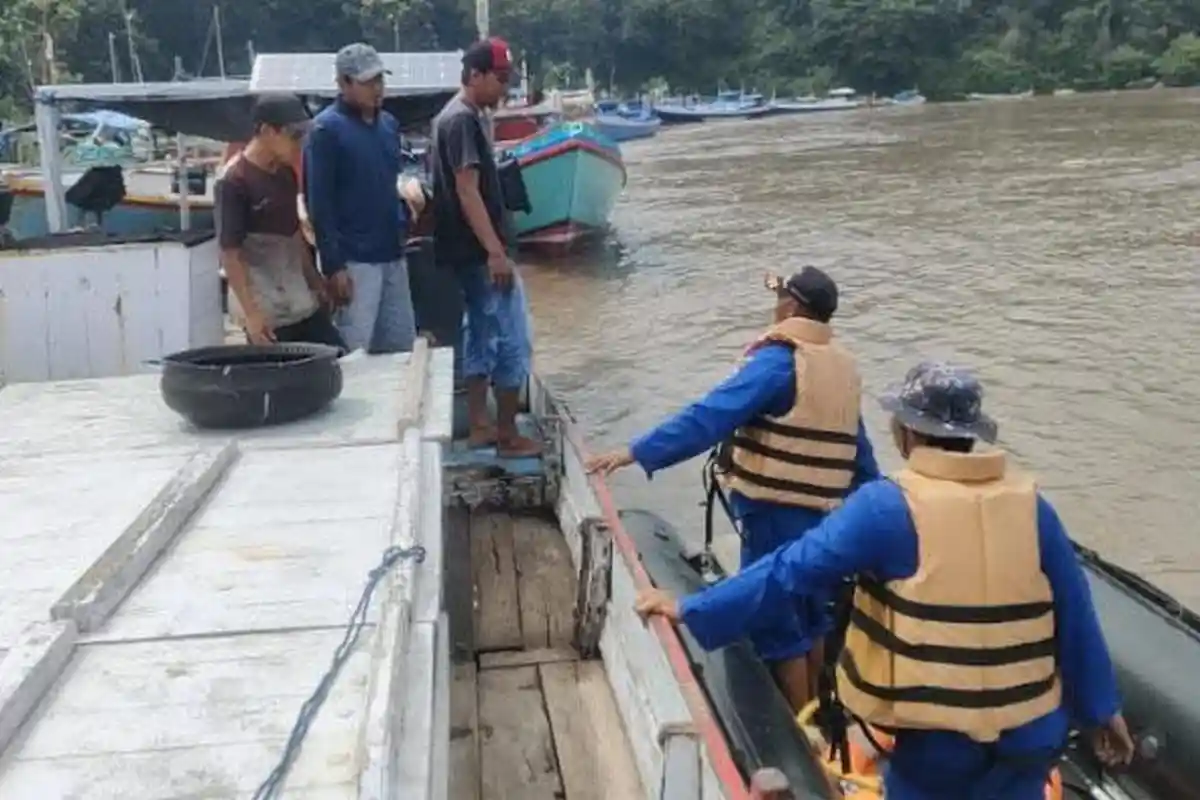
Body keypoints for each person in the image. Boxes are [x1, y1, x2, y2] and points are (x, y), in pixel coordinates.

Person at [634, 361, 1136, 799]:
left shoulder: (887, 507)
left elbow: (787, 572)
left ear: (906, 433)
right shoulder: (1033, 507)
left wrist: (691, 608)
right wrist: (1102, 709)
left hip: (940, 750)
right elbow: (1075, 612)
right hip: (1029, 738)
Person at [587, 266, 880, 711]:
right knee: (812, 616)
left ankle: (799, 737)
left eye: (780, 296)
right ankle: (822, 712)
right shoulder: (840, 368)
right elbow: (860, 456)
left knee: (777, 624)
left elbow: (708, 418)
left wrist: (636, 452)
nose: (775, 304)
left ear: (793, 307)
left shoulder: (778, 363)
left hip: (775, 512)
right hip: (825, 513)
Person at [430, 38, 540, 457]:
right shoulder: (461, 121)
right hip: (480, 253)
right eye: (500, 79)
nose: (505, 89)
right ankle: (508, 435)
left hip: (465, 252)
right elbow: (466, 190)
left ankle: (479, 424)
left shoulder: (456, 118)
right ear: (475, 75)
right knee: (512, 337)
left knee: (477, 332)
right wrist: (495, 250)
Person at [304, 42, 415, 354]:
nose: (376, 89)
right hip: (354, 259)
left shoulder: (389, 125)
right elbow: (319, 203)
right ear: (343, 84)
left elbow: (391, 182)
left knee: (400, 346)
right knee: (355, 351)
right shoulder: (326, 130)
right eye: (367, 82)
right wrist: (333, 265)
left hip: (392, 253)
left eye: (380, 80)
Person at [215, 94, 343, 348]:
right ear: (266, 131)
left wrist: (316, 282)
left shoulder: (285, 173)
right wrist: (252, 314)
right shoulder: (233, 181)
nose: (300, 143)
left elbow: (293, 234)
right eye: (294, 135)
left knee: (336, 356)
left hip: (297, 297)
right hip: (265, 305)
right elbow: (230, 254)